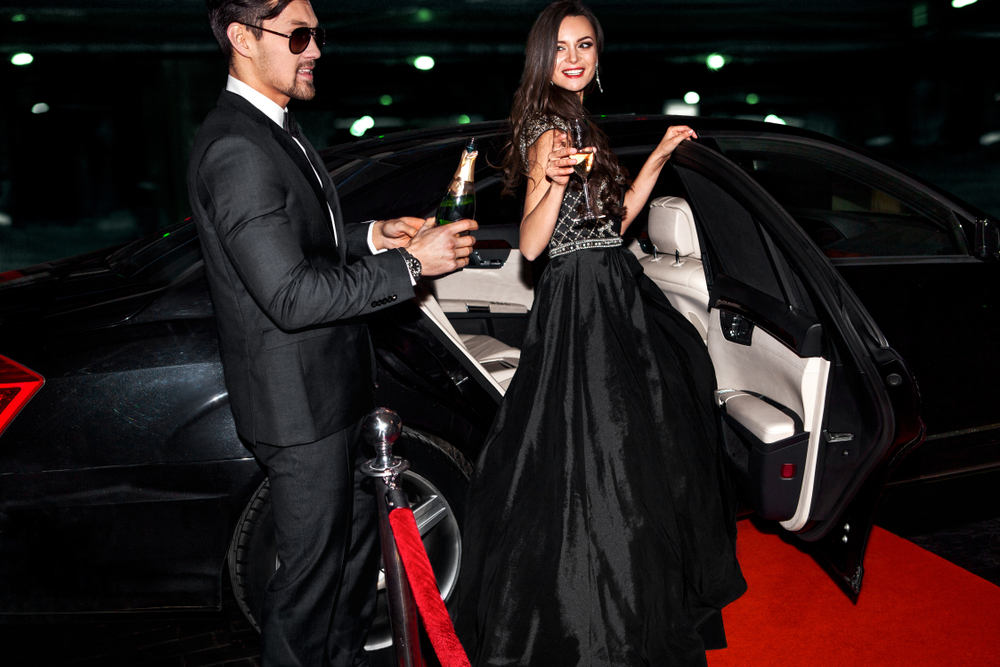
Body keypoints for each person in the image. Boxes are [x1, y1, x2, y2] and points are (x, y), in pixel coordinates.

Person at [187, 1, 477, 665]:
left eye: (317, 33)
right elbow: (289, 295)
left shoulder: (271, 128)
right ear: (241, 38)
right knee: (308, 590)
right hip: (298, 409)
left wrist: (375, 236)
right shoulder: (236, 147)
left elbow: (302, 240)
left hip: (331, 395)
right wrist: (410, 264)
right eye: (298, 35)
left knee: (347, 573)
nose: (314, 48)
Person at [456, 2, 745, 665]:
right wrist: (553, 180)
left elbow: (614, 223)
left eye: (585, 45)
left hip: (612, 285)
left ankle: (629, 587)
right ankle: (598, 611)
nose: (575, 57)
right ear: (541, 57)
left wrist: (661, 156)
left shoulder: (579, 121)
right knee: (597, 454)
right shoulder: (547, 131)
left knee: (632, 441)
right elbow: (532, 244)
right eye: (561, 47)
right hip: (581, 299)